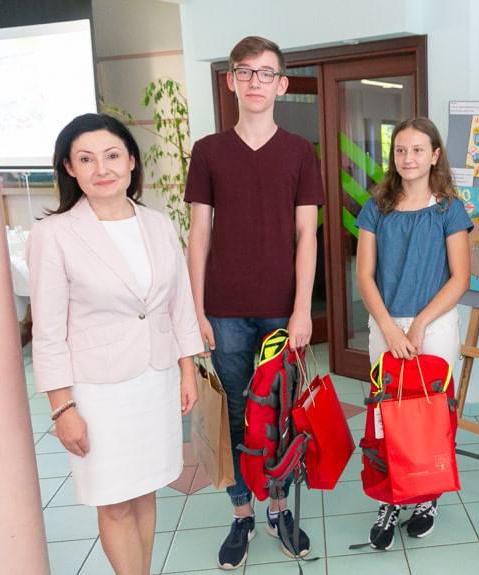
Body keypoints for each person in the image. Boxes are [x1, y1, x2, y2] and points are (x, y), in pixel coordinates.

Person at [27, 113, 203, 575]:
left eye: (111, 156)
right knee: (115, 502)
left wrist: (187, 370)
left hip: (155, 380)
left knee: (145, 491)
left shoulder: (157, 223)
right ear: (69, 168)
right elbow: (47, 332)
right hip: (97, 392)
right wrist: (62, 409)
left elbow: (178, 303)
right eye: (85, 159)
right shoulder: (54, 234)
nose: (100, 168)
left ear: (131, 162)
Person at [184, 36, 324, 569]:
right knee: (237, 417)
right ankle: (243, 514)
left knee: (281, 417)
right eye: (246, 72)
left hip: (279, 310)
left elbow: (307, 235)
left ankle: (280, 508)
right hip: (222, 308)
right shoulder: (209, 150)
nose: (256, 82)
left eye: (267, 74)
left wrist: (301, 310)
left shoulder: (298, 151)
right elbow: (198, 235)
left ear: (282, 84)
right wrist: (195, 310)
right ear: (231, 81)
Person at [355, 117, 472, 549]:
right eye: (401, 150)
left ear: (435, 155)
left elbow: (460, 278)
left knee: (431, 418)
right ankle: (390, 498)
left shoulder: (449, 209)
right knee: (387, 417)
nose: (408, 158)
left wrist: (420, 323)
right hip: (384, 323)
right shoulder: (376, 207)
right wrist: (388, 326)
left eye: (418, 149)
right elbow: (365, 276)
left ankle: (427, 496)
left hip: (436, 324)